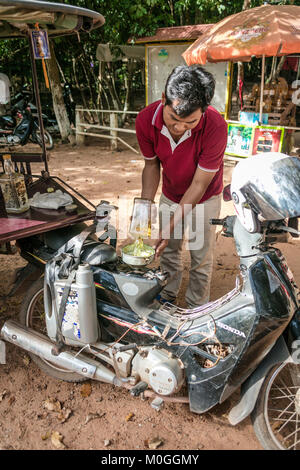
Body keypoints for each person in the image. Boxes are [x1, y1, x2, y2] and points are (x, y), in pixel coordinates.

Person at [135, 65, 228, 308]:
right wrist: (144, 209)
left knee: (200, 256)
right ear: (163, 98)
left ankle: (197, 307)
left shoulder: (216, 126)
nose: (178, 128)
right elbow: (152, 166)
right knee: (169, 251)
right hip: (171, 192)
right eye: (174, 119)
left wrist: (167, 228)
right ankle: (168, 295)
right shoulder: (145, 120)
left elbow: (199, 184)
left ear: (204, 111)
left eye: (190, 122)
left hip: (204, 197)